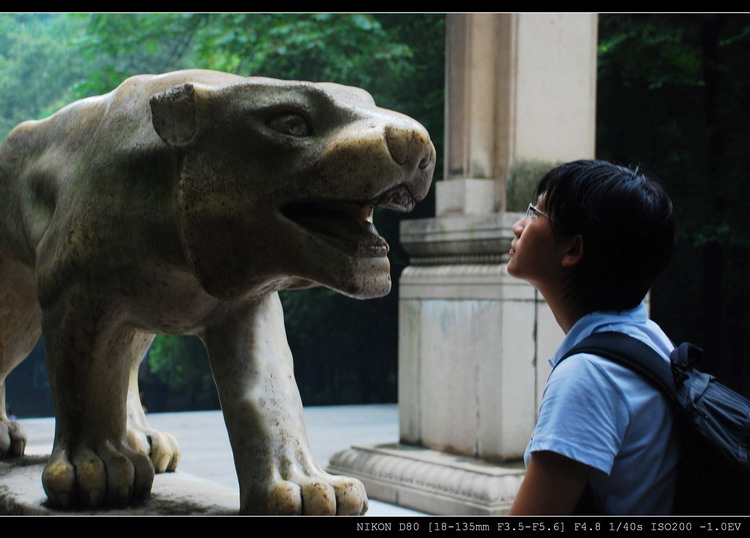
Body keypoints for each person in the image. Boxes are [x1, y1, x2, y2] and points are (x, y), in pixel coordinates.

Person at [507, 159, 678, 515]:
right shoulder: (651, 340)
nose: (518, 226)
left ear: (572, 250)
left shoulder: (589, 376)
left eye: (535, 213)